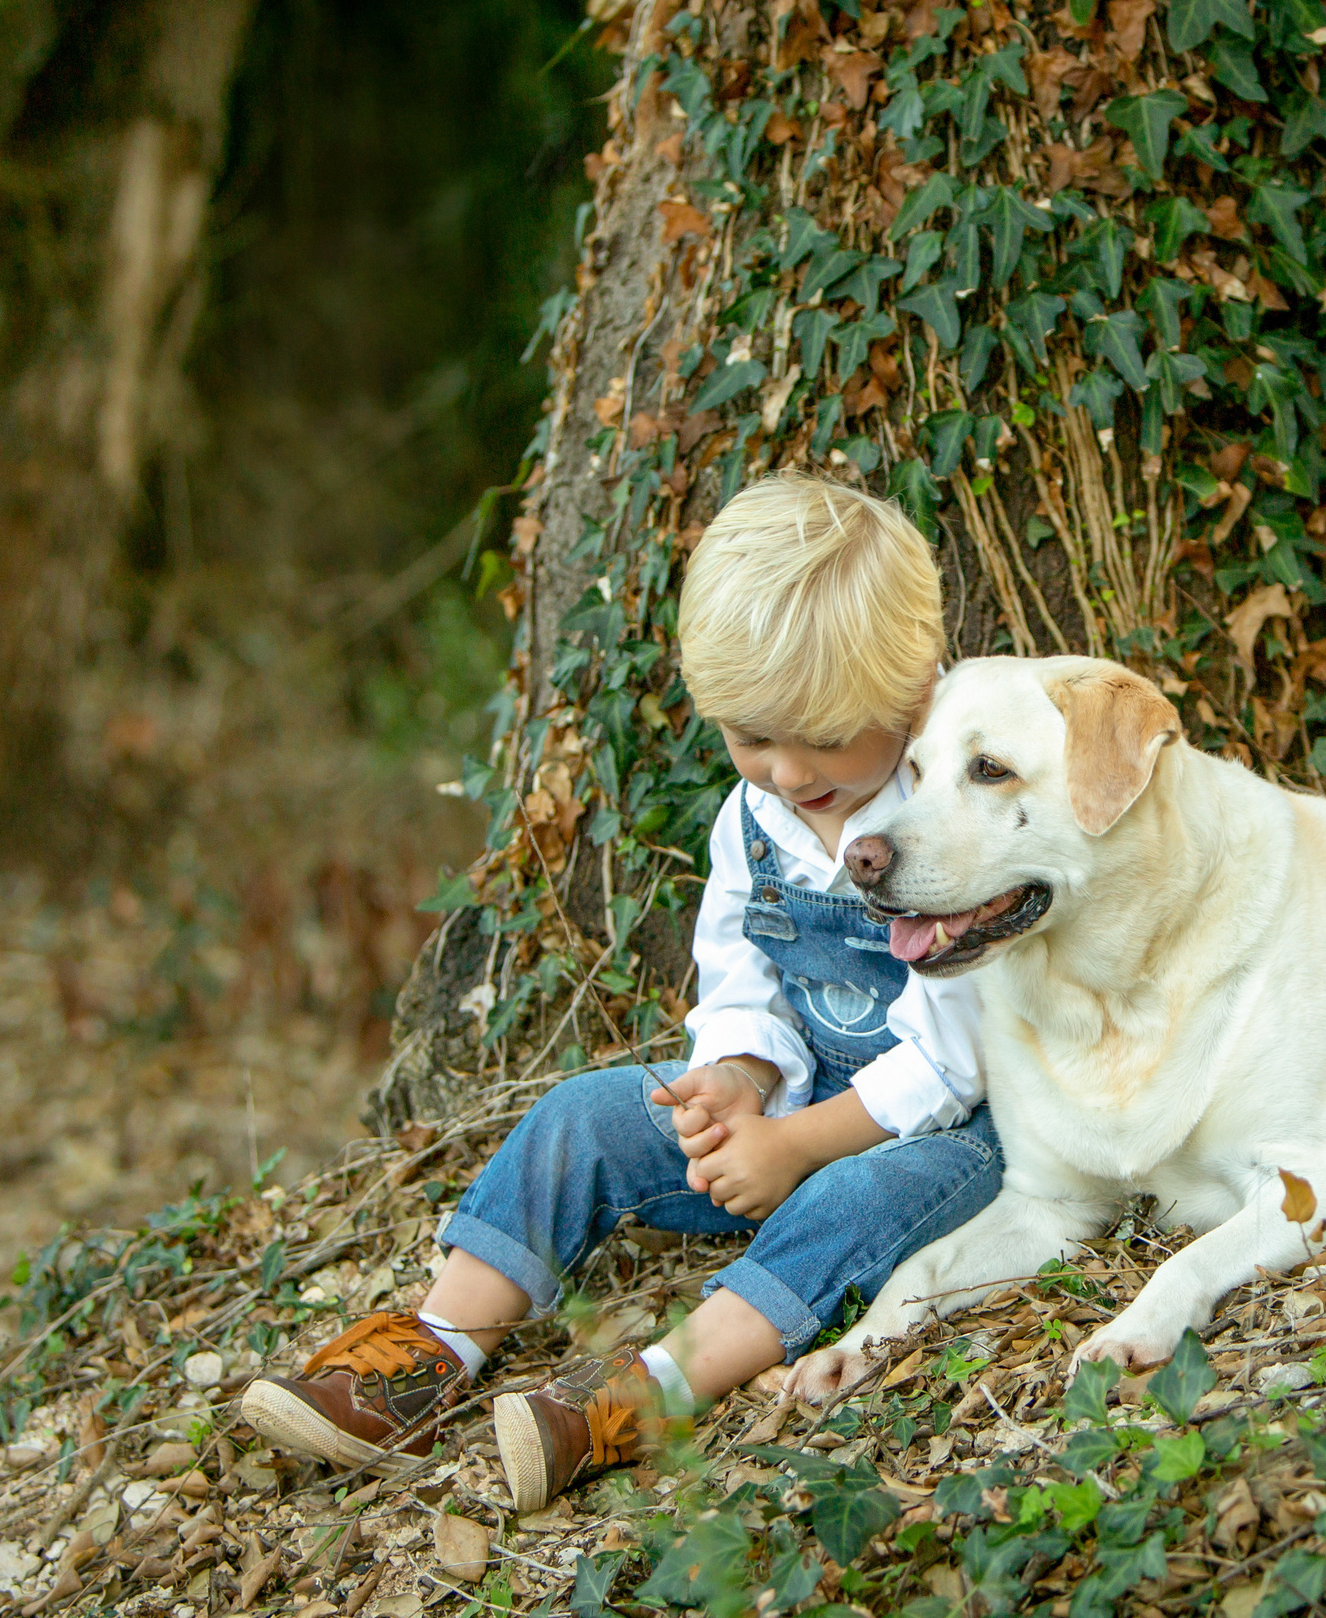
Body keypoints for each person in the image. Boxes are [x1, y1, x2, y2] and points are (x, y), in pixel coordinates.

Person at [239, 471, 1001, 1511]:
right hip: (798, 1096)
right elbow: (738, 969)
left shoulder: (951, 817)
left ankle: (650, 1387)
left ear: (916, 689)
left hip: (945, 1134)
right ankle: (437, 1342)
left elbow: (959, 1058)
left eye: (817, 737)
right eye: (748, 737)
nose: (782, 771)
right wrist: (736, 1076)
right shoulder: (756, 817)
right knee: (587, 1113)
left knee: (849, 1200)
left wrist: (793, 1147)